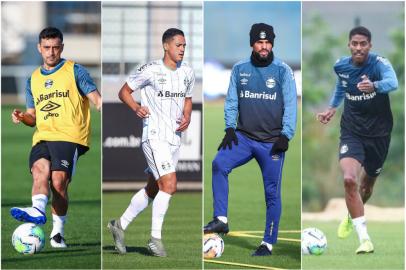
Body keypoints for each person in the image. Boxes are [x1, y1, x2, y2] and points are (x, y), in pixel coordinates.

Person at [203, 23, 297, 256]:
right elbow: (232, 101)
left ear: (272, 43)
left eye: (267, 42)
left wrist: (286, 134)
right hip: (244, 138)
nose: (264, 47)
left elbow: (291, 106)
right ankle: (221, 219)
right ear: (252, 44)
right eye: (259, 42)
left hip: (272, 142)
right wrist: (229, 128)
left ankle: (268, 243)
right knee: (219, 164)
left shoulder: (283, 71)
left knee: (272, 193)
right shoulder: (239, 69)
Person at [10, 27, 101, 248]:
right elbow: (33, 116)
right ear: (39, 48)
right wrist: (23, 117)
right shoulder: (32, 79)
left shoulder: (75, 70)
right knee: (40, 172)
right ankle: (38, 210)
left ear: (62, 47)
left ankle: (57, 233)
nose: (51, 52)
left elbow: (96, 99)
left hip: (70, 136)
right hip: (42, 137)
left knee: (59, 183)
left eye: (56, 47)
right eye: (47, 48)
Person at [107, 28, 195, 257]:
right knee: (170, 185)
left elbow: (188, 99)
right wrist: (136, 107)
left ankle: (119, 225)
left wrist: (188, 116)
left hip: (174, 139)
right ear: (166, 46)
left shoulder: (187, 71)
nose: (183, 49)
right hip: (154, 136)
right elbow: (124, 91)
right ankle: (155, 239)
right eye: (179, 45)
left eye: (185, 45)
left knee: (153, 188)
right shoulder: (150, 70)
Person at [317, 26, 398, 254]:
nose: (359, 48)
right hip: (352, 130)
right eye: (355, 43)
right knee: (350, 180)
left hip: (380, 133)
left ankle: (352, 214)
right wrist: (332, 107)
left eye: (363, 44)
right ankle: (365, 239)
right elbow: (341, 86)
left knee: (366, 185)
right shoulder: (341, 66)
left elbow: (393, 83)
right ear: (349, 45)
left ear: (370, 46)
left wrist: (375, 85)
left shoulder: (379, 64)